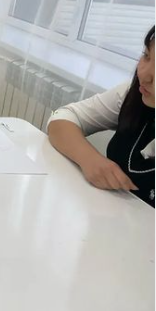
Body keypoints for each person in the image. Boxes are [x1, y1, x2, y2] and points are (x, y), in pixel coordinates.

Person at [47, 26, 155, 207]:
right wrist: (90, 159)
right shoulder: (134, 95)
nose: (144, 76)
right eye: (146, 56)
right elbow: (63, 118)